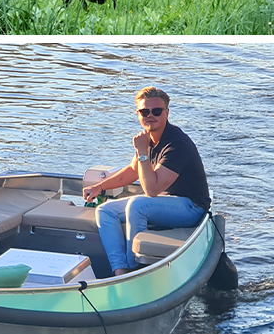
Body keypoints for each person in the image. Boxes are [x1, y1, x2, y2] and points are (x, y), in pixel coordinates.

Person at [82, 87, 211, 276]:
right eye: (144, 111)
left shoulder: (177, 144)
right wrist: (100, 187)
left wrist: (142, 151)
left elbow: (151, 190)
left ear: (166, 113)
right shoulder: (147, 138)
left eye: (156, 111)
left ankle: (133, 271)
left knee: (137, 205)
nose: (150, 116)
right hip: (163, 202)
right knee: (105, 211)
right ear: (138, 114)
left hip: (191, 207)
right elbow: (133, 170)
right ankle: (119, 270)